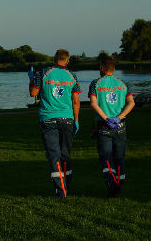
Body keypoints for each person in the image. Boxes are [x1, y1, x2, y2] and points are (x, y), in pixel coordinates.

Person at [28, 48, 80, 197]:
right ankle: (66, 184)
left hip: (48, 118)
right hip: (67, 119)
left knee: (53, 155)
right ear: (67, 61)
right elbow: (76, 101)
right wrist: (76, 120)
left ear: (54, 59)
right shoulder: (72, 76)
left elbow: (33, 93)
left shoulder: (43, 73)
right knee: (65, 154)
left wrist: (31, 78)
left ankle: (60, 189)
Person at [88, 57, 135, 197]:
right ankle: (119, 186)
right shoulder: (123, 83)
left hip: (104, 126)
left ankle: (112, 183)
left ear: (103, 67)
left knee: (106, 157)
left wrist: (106, 119)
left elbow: (93, 103)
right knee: (119, 157)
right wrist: (119, 117)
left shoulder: (95, 83)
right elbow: (131, 103)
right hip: (120, 125)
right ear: (113, 69)